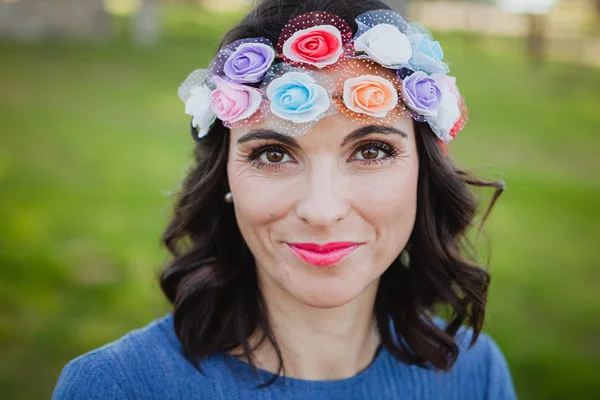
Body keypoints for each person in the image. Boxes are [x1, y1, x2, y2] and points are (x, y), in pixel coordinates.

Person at [52, 0, 517, 398]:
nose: (321, 210)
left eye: (372, 150)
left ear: (424, 171)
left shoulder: (474, 373)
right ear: (225, 177)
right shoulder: (114, 387)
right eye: (273, 154)